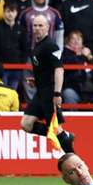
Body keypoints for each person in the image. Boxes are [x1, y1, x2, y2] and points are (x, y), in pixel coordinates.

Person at [20, 15, 74, 154]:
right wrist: (36, 80)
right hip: (41, 93)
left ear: (48, 28)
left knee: (56, 128)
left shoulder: (51, 46)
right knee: (26, 124)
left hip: (50, 93)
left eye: (40, 26)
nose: (37, 28)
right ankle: (63, 136)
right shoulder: (37, 46)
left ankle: (75, 161)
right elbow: (46, 69)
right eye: (35, 25)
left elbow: (59, 69)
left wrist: (57, 93)